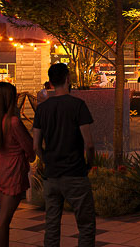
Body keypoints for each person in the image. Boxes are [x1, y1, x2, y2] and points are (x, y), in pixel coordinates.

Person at [33, 63, 95, 247]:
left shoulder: (42, 109)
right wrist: (89, 164)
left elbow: (36, 146)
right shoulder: (78, 105)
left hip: (52, 176)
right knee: (86, 225)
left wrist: (46, 161)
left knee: (51, 225)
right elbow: (89, 144)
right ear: (68, 79)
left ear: (51, 82)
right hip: (75, 173)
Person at [0, 81, 35, 247]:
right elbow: (29, 146)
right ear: (10, 99)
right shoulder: (13, 122)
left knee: (3, 219)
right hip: (13, 170)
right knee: (3, 221)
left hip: (1, 167)